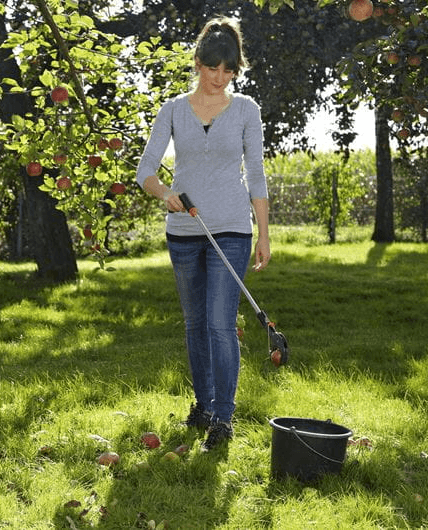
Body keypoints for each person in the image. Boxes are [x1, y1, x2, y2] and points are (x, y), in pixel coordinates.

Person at [135, 16, 270, 451]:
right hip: (184, 231)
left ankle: (223, 419)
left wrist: (263, 234)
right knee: (195, 325)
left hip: (231, 230)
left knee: (219, 323)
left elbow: (257, 176)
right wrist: (165, 193)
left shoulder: (247, 110)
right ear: (198, 63)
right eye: (214, 68)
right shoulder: (173, 110)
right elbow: (146, 171)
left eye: (229, 70)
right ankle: (204, 404)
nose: (220, 78)